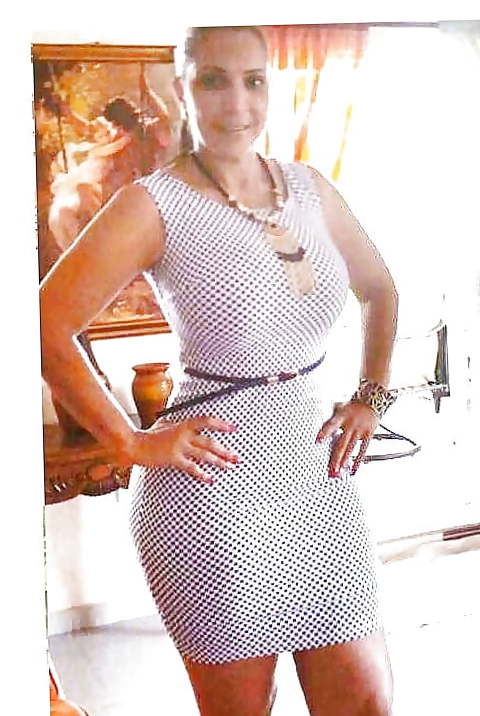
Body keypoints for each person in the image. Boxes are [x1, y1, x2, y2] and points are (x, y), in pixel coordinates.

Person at [40, 25, 398, 716]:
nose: (237, 101)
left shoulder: (310, 189)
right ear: (182, 90)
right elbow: (44, 323)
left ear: (270, 86)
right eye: (213, 80)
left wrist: (370, 398)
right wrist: (131, 443)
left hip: (318, 480)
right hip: (212, 494)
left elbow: (380, 288)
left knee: (366, 703)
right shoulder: (153, 203)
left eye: (253, 80)